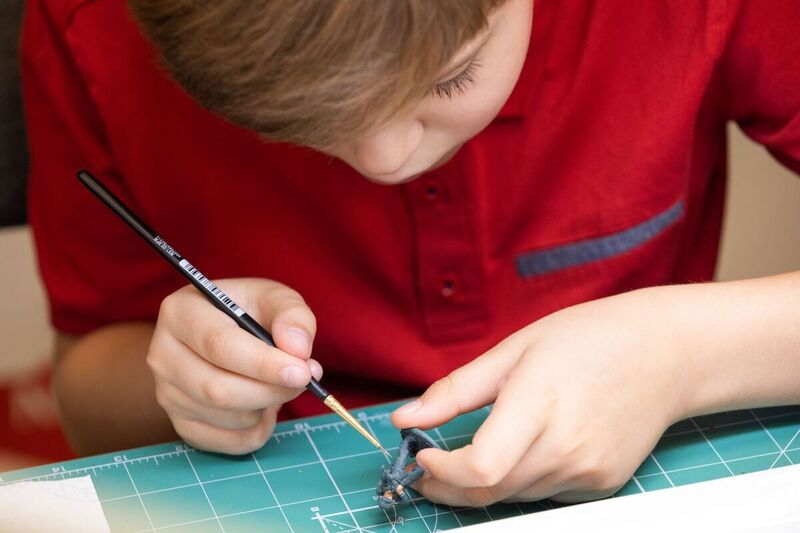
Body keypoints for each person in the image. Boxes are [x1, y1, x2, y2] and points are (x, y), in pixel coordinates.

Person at [21, 0, 800, 506]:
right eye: (300, 118)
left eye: (453, 77)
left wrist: (683, 353)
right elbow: (87, 387)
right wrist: (188, 385)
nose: (385, 157)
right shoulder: (94, 25)